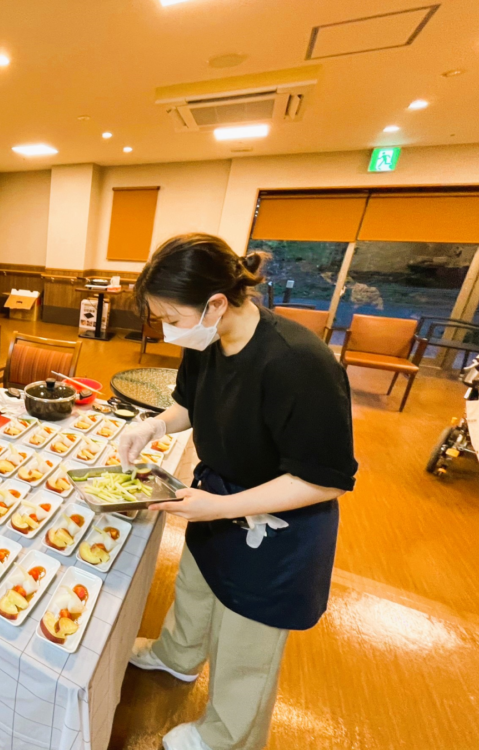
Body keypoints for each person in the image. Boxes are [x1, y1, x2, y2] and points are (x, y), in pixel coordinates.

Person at [118, 234, 357, 750]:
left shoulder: (297, 361)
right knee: (197, 585)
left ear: (217, 303)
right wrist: (155, 427)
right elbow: (190, 404)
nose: (168, 331)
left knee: (247, 641)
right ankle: (178, 656)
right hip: (217, 494)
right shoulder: (208, 343)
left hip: (277, 521)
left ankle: (228, 736)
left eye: (173, 318)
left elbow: (326, 478)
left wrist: (222, 507)